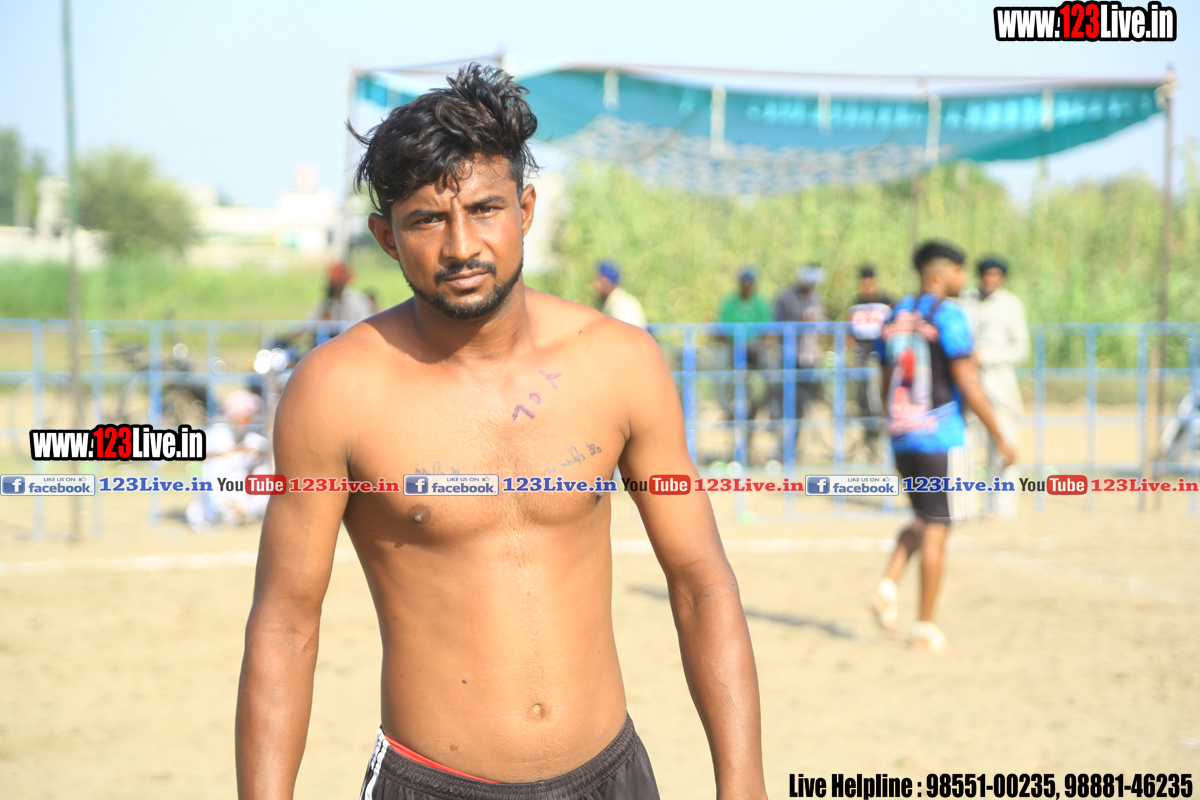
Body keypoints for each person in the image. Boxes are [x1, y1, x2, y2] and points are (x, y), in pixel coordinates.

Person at [235, 64, 766, 800]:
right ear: (386, 237)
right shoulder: (336, 391)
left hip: (611, 775)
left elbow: (702, 582)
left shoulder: (618, 363)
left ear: (525, 208)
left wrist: (744, 786)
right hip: (433, 783)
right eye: (427, 220)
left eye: (485, 209)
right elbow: (286, 623)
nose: (461, 246)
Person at [868, 242, 1016, 652]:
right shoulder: (949, 315)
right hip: (940, 436)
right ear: (938, 275)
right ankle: (925, 627)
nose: (963, 279)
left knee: (922, 517)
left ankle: (888, 584)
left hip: (902, 435)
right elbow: (967, 379)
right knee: (937, 529)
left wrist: (892, 421)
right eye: (958, 270)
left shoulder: (894, 314)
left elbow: (884, 379)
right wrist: (1000, 435)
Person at [960, 257, 1029, 518]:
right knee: (965, 445)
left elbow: (1021, 348)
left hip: (998, 387)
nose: (991, 280)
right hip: (967, 384)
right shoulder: (965, 301)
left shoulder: (1011, 304)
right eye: (987, 275)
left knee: (1002, 445)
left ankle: (1001, 506)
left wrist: (986, 356)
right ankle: (963, 505)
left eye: (996, 275)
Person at [185, 390, 271, 529]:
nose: (244, 423)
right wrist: (232, 451)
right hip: (216, 491)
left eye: (248, 418)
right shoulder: (217, 432)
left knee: (265, 470)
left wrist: (256, 455)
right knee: (216, 466)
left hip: (242, 488)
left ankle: (243, 512)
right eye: (240, 418)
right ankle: (228, 509)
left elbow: (264, 451)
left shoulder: (253, 438)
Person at [844, 266, 894, 457]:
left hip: (879, 358)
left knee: (877, 399)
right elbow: (848, 333)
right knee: (862, 399)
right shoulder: (855, 304)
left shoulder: (886, 302)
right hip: (861, 357)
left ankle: (883, 445)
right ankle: (870, 444)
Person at [716, 267, 774, 424]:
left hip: (755, 349)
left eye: (750, 282)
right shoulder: (729, 303)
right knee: (717, 367)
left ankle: (765, 411)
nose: (747, 285)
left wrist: (756, 344)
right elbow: (722, 328)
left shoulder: (761, 304)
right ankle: (726, 409)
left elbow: (766, 329)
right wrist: (736, 342)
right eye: (744, 282)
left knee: (773, 374)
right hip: (733, 347)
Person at [772, 266, 826, 430]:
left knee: (803, 402)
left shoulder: (816, 298)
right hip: (789, 357)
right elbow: (776, 325)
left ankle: (795, 438)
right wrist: (798, 323)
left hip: (809, 358)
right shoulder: (785, 297)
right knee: (786, 400)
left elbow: (822, 325)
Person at [592, 260, 647, 328]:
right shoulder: (626, 300)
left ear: (605, 282)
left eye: (598, 279)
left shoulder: (617, 305)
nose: (595, 284)